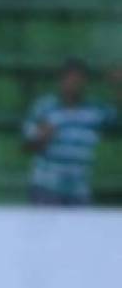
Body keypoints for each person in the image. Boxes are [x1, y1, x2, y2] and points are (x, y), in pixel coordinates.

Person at [23, 58, 117, 206]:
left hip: (79, 189)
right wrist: (42, 137)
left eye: (78, 79)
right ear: (61, 80)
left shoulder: (95, 111)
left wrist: (117, 85)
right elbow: (28, 146)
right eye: (69, 78)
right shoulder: (45, 108)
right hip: (47, 188)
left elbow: (116, 117)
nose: (73, 83)